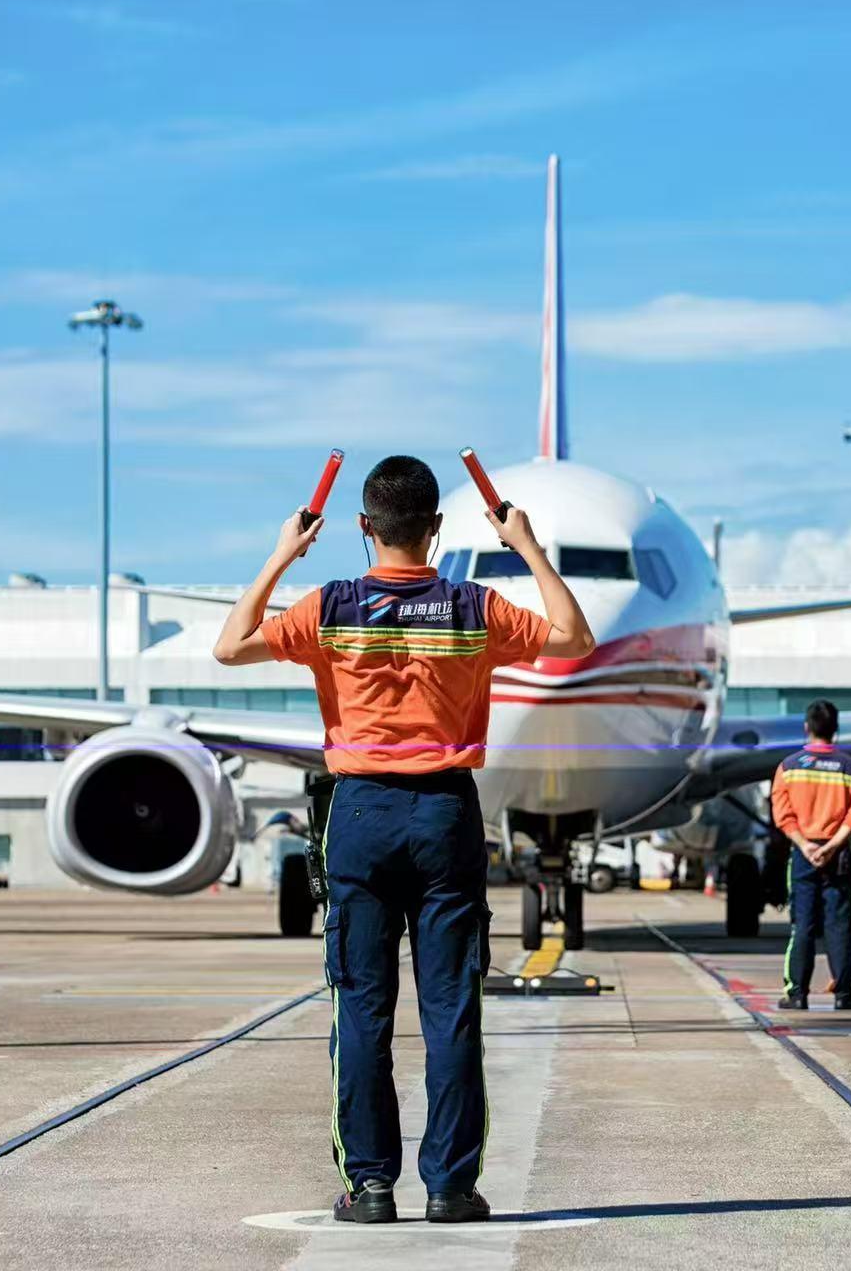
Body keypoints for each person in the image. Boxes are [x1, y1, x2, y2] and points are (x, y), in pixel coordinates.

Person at [212, 454, 593, 1224]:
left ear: (362, 526)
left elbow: (230, 644)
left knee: (362, 1009)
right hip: (445, 815)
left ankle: (372, 1186)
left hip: (359, 815)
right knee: (451, 1010)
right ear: (438, 529)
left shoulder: (331, 606)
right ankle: (451, 1188)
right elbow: (572, 637)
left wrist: (285, 552)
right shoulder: (472, 606)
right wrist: (523, 544)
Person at [769, 699, 851, 1011]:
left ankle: (797, 994)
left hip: (803, 852)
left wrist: (805, 845)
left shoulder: (788, 767)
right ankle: (844, 995)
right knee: (840, 925)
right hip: (836, 854)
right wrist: (831, 846)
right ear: (835, 729)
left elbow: (782, 815)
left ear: (806, 728)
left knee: (803, 925)